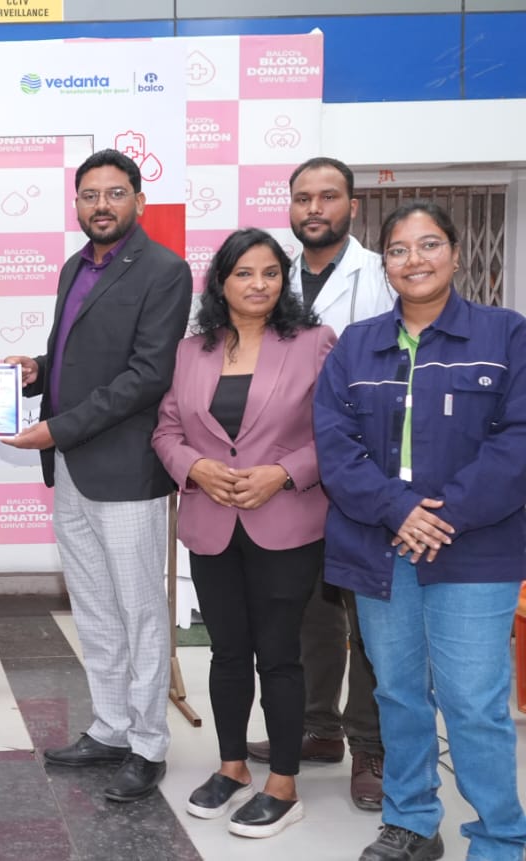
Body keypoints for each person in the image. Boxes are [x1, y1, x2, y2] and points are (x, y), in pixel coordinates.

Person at [315, 201, 526, 861]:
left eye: (429, 244)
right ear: (386, 264)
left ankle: (500, 837)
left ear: (457, 254)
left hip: (475, 549)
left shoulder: (506, 335)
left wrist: (443, 513)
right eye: (399, 249)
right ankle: (410, 821)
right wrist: (396, 509)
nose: (415, 259)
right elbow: (334, 443)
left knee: (473, 702)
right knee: (398, 694)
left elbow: (518, 441)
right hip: (380, 546)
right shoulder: (355, 345)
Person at [3, 148, 192, 802]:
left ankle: (148, 742)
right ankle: (111, 726)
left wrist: (59, 428)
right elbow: (77, 357)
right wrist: (37, 369)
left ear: (139, 200)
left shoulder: (164, 270)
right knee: (93, 606)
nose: (101, 205)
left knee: (140, 611)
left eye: (114, 193)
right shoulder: (74, 266)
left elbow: (148, 375)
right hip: (73, 468)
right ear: (77, 203)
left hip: (125, 469)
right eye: (90, 195)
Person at [152, 229, 336, 837]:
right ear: (221, 283)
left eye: (271, 273)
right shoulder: (191, 351)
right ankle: (232, 767)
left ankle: (283, 783)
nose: (259, 284)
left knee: (279, 653)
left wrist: (283, 473)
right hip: (212, 523)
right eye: (244, 273)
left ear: (284, 280)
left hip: (286, 522)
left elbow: (338, 432)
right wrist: (194, 467)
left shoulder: (313, 343)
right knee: (227, 651)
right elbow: (166, 431)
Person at [247, 156, 395, 812]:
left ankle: (370, 743)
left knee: (368, 616)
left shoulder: (381, 274)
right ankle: (318, 728)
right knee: (308, 607)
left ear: (352, 207)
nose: (314, 208)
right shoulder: (269, 272)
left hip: (364, 466)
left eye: (328, 196)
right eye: (302, 196)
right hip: (289, 470)